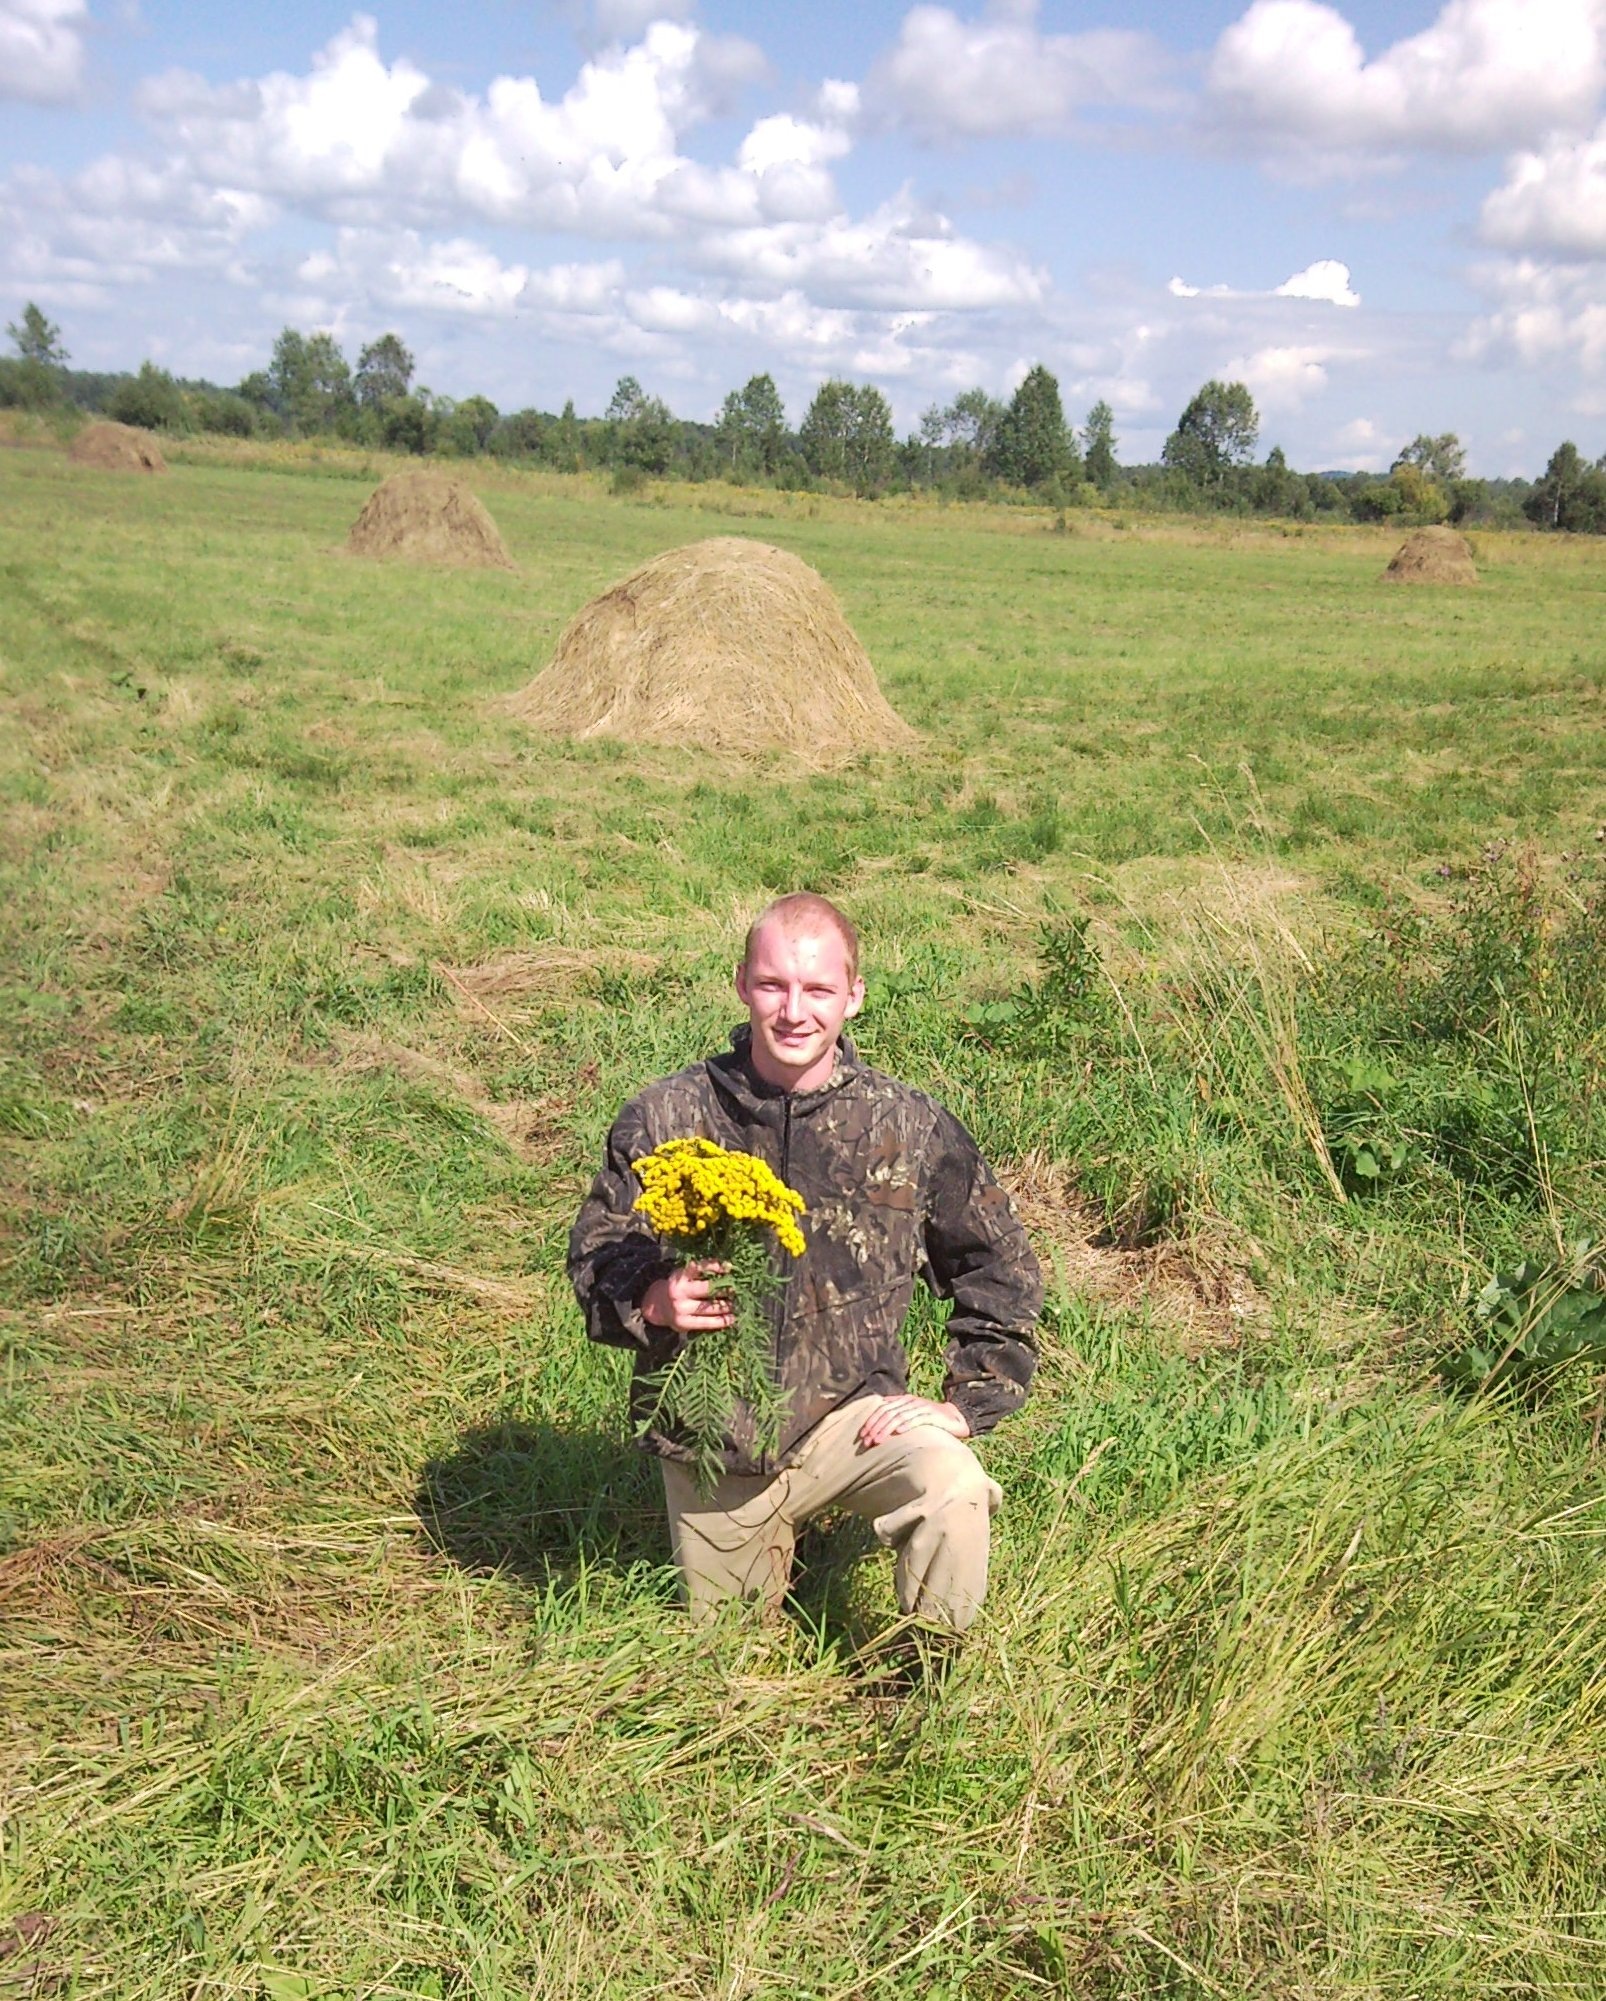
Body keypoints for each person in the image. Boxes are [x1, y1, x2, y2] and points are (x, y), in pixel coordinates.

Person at [568, 893, 1042, 1634]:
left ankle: (934, 1674)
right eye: (773, 985)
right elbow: (598, 1249)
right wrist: (651, 1298)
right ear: (741, 985)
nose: (794, 1011)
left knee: (955, 1488)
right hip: (716, 1437)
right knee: (730, 1652)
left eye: (818, 989)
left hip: (857, 1421)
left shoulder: (907, 1125)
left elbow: (999, 1262)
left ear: (854, 995)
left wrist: (968, 1398)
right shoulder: (668, 1115)